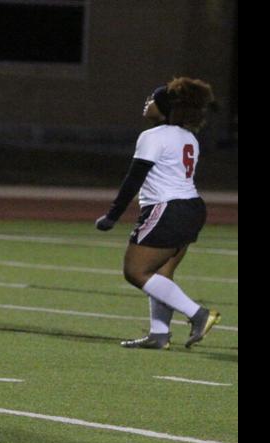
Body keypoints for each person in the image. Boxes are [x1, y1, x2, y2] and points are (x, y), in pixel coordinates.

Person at [94, 77, 221, 350]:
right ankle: (159, 334)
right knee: (160, 275)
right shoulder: (189, 137)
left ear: (163, 106)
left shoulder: (152, 137)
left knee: (135, 271)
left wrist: (112, 215)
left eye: (151, 99)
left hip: (168, 209)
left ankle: (198, 314)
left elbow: (134, 178)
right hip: (192, 208)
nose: (146, 102)